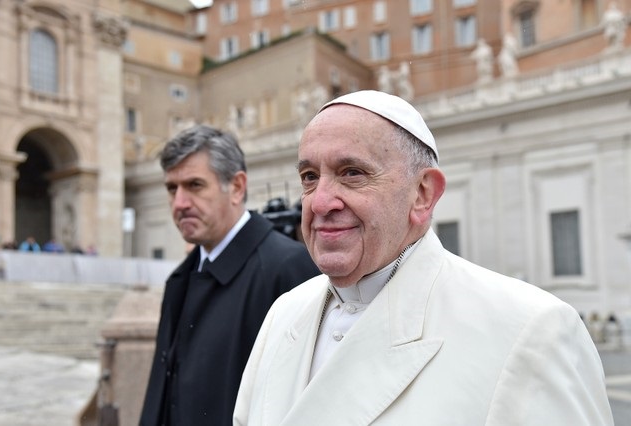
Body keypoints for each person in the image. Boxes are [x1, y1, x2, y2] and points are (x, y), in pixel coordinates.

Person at [233, 90, 613, 425]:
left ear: (423, 194)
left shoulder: (531, 330)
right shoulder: (283, 314)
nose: (319, 202)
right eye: (310, 176)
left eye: (352, 173)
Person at [139, 125, 319, 426]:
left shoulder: (288, 268)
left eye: (194, 185)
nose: (179, 203)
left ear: (236, 187)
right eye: (172, 188)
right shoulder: (181, 278)